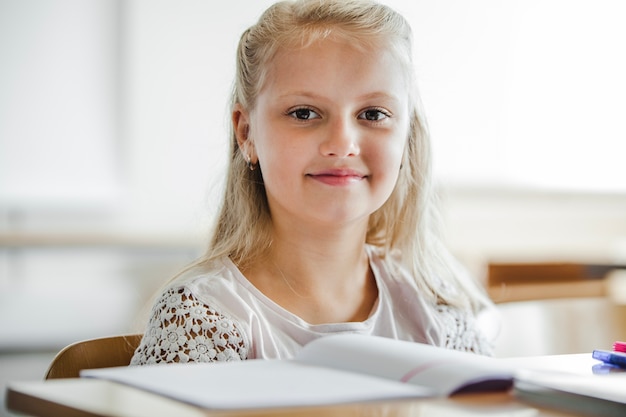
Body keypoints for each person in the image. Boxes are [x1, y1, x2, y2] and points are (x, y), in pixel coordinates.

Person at [130, 0, 496, 366]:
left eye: (373, 114)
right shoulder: (204, 319)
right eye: (304, 113)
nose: (342, 145)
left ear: (406, 136)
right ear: (247, 133)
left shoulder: (432, 309)